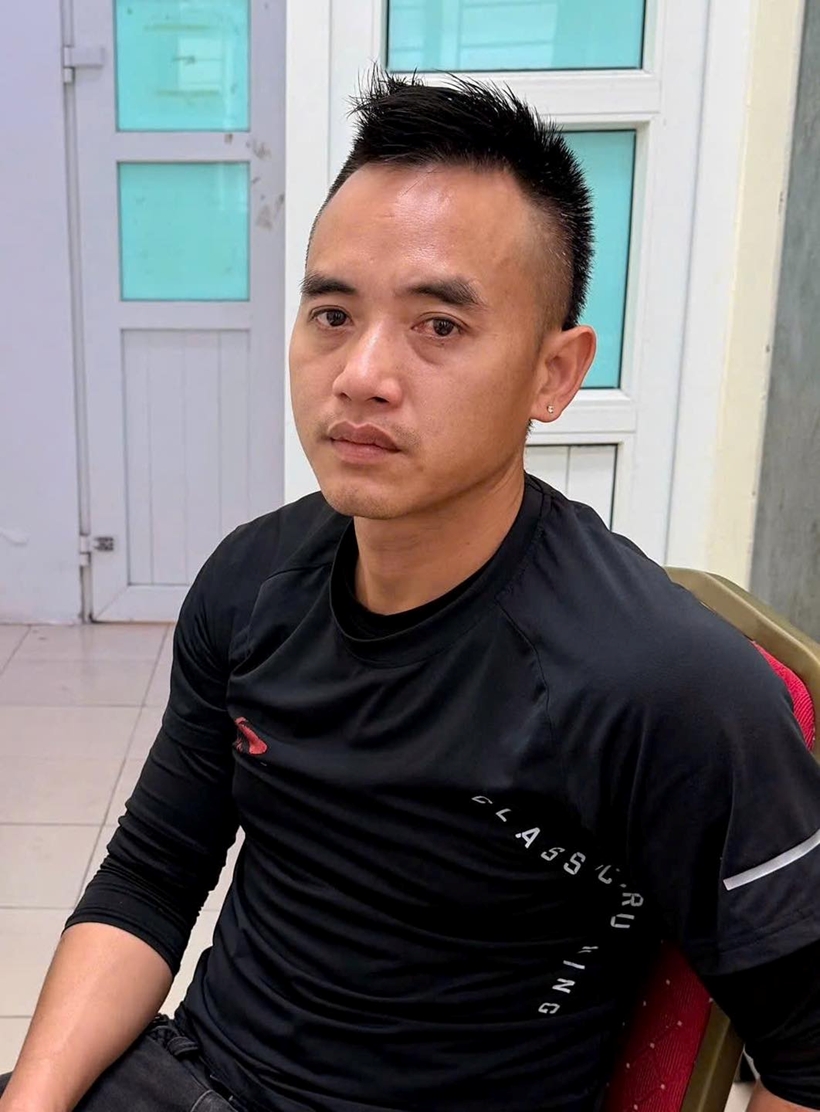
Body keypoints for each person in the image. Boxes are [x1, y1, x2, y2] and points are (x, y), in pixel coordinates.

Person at [2, 72, 819, 1112]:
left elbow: (807, 1055)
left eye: (439, 326)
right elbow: (151, 876)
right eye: (333, 313)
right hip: (193, 1076)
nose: (361, 374)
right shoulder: (251, 584)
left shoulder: (662, 687)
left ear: (554, 374)